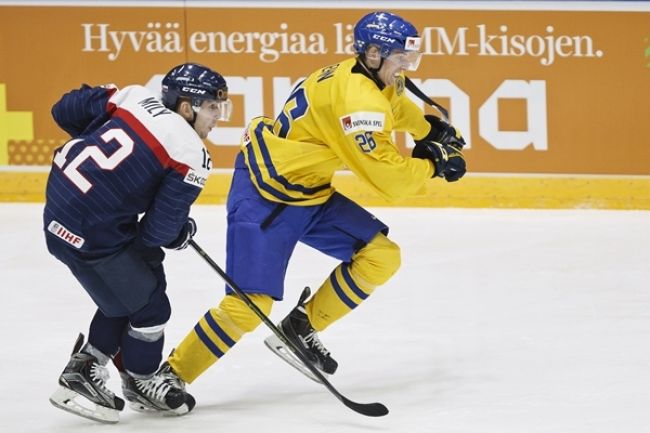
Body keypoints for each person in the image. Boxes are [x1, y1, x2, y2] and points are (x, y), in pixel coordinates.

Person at [166, 10, 466, 390]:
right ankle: (170, 375)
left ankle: (299, 327)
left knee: (381, 256)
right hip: (266, 194)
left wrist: (427, 129)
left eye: (409, 59)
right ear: (373, 54)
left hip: (307, 189)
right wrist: (433, 164)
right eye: (400, 59)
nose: (405, 66)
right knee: (248, 307)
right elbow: (391, 181)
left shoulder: (360, 74)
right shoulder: (358, 103)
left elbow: (394, 100)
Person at [44, 63, 232, 423]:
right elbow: (158, 232)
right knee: (151, 308)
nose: (217, 118)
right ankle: (132, 378)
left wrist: (104, 161)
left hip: (58, 211)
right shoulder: (191, 152)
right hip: (95, 230)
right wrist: (179, 230)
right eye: (211, 107)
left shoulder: (132, 96)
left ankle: (104, 366)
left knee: (140, 277)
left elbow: (63, 109)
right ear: (186, 106)